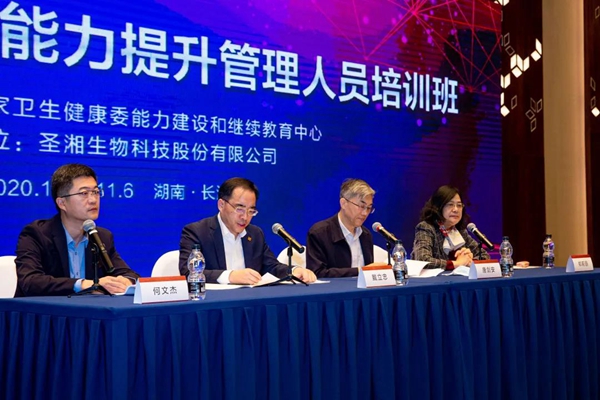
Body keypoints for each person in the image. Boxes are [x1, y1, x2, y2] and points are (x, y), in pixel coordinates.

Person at [15, 164, 139, 296]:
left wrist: (126, 281)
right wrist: (86, 284)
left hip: (88, 309)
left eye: (96, 192)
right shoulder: (36, 234)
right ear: (62, 203)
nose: (93, 200)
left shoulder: (102, 237)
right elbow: (30, 281)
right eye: (84, 193)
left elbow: (129, 274)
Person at [179, 177, 316, 285]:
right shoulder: (197, 232)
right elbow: (187, 273)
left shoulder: (255, 234)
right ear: (221, 205)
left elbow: (271, 266)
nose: (245, 217)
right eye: (239, 209)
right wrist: (230, 276)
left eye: (251, 211)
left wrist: (294, 270)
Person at [306, 178, 382, 278]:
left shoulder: (366, 235)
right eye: (361, 206)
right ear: (343, 203)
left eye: (369, 208)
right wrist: (360, 271)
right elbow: (317, 273)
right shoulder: (319, 233)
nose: (365, 213)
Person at [411, 185, 489, 269]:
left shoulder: (461, 232)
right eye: (450, 204)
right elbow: (422, 259)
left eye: (459, 205)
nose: (456, 209)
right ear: (439, 207)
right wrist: (456, 263)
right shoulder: (426, 228)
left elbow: (484, 256)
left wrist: (469, 261)